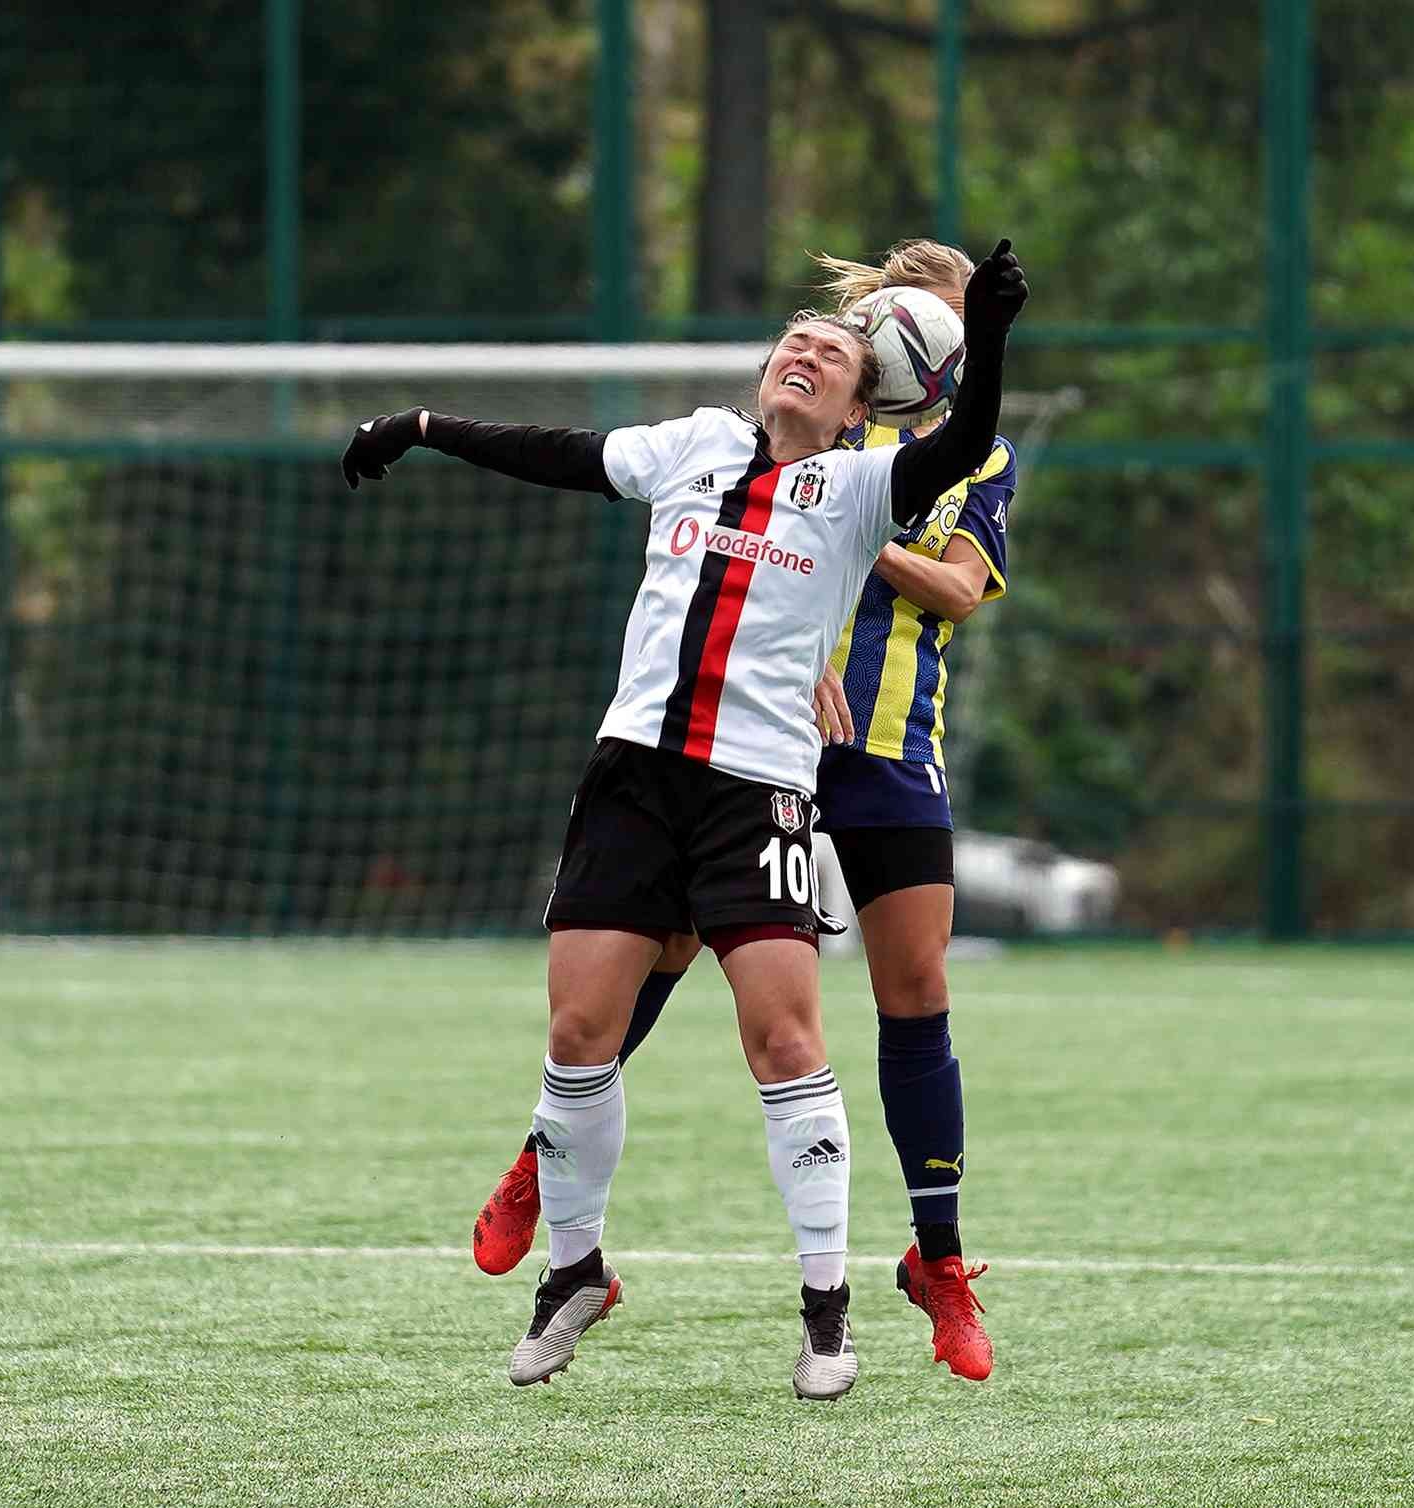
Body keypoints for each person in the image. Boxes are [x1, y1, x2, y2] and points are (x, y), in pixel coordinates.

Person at [342, 240, 1029, 1400]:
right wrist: (420, 423)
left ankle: (903, 1275)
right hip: (660, 766)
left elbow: (955, 566)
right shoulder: (718, 440)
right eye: (884, 318)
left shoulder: (897, 473)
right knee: (606, 1003)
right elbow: (561, 455)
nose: (844, 341)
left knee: (868, 1008)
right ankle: (554, 1207)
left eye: (944, 327)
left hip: (849, 758)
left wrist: (829, 573)